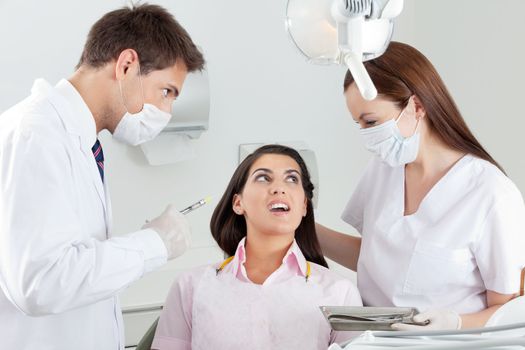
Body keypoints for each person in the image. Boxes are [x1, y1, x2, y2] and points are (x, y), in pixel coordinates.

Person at [0, 3, 204, 349]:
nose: (167, 111)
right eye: (166, 91)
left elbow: (75, 266)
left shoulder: (82, 143)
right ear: (126, 65)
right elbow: (40, 283)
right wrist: (155, 244)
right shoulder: (38, 135)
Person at [316, 41, 525, 331]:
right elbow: (375, 258)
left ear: (416, 106)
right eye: (359, 124)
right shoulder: (384, 168)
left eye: (371, 121)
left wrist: (455, 323)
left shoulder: (490, 193)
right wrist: (302, 227)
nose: (366, 136)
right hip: (375, 341)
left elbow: (508, 309)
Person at [151, 145, 362, 350]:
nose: (279, 188)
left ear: (304, 205)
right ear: (238, 203)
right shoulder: (191, 286)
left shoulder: (340, 293)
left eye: (292, 179)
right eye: (263, 178)